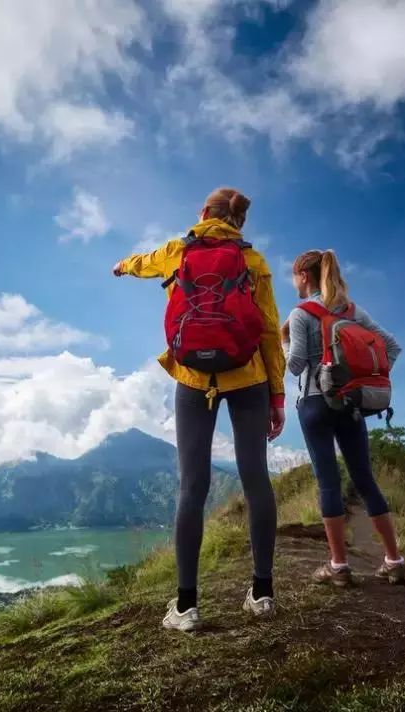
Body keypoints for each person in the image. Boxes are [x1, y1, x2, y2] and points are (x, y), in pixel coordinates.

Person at [113, 187, 286, 631]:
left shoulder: (177, 251)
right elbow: (268, 331)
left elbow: (142, 263)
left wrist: (123, 265)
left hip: (192, 379)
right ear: (238, 223)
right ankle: (262, 594)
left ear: (203, 213)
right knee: (255, 482)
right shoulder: (254, 262)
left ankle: (187, 606)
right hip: (248, 378)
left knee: (192, 488)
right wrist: (278, 395)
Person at [282, 249, 405, 586]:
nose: (293, 282)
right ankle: (394, 561)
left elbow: (294, 365)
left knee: (328, 482)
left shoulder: (301, 313)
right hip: (350, 403)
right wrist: (363, 379)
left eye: (293, 276)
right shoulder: (352, 311)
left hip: (314, 403)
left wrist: (283, 345)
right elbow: (392, 346)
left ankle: (339, 567)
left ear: (304, 276)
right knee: (364, 479)